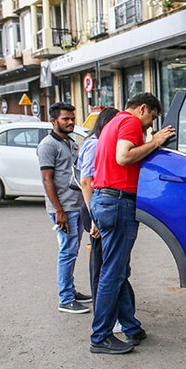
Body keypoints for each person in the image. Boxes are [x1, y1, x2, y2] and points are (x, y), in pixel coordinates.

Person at [89, 93, 175, 354]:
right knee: (113, 272)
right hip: (117, 203)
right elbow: (124, 157)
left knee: (118, 269)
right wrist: (156, 142)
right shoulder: (130, 122)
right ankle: (100, 336)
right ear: (143, 108)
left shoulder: (112, 123)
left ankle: (130, 326)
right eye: (151, 119)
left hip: (104, 200)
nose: (150, 126)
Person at [37, 102, 93, 314]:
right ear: (54, 121)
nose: (71, 122)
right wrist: (58, 210)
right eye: (65, 119)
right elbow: (47, 179)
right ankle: (65, 298)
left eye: (72, 118)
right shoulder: (47, 145)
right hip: (63, 208)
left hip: (76, 205)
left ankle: (70, 290)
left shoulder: (69, 142)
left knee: (72, 250)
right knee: (67, 252)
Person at [77, 107, 119, 305]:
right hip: (94, 207)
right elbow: (86, 182)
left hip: (96, 206)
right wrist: (94, 217)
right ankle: (101, 309)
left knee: (101, 260)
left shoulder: (94, 142)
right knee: (100, 263)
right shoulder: (95, 145)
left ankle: (103, 307)